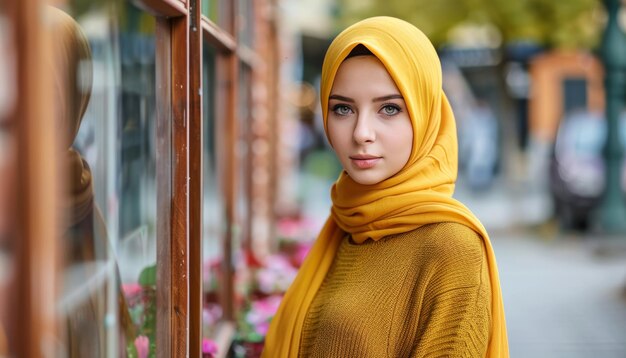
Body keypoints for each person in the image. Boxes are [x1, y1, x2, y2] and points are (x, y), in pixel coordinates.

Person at [262, 16, 508, 357]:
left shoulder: (451, 248)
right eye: (343, 108)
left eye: (389, 108)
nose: (362, 132)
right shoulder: (348, 222)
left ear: (425, 116)